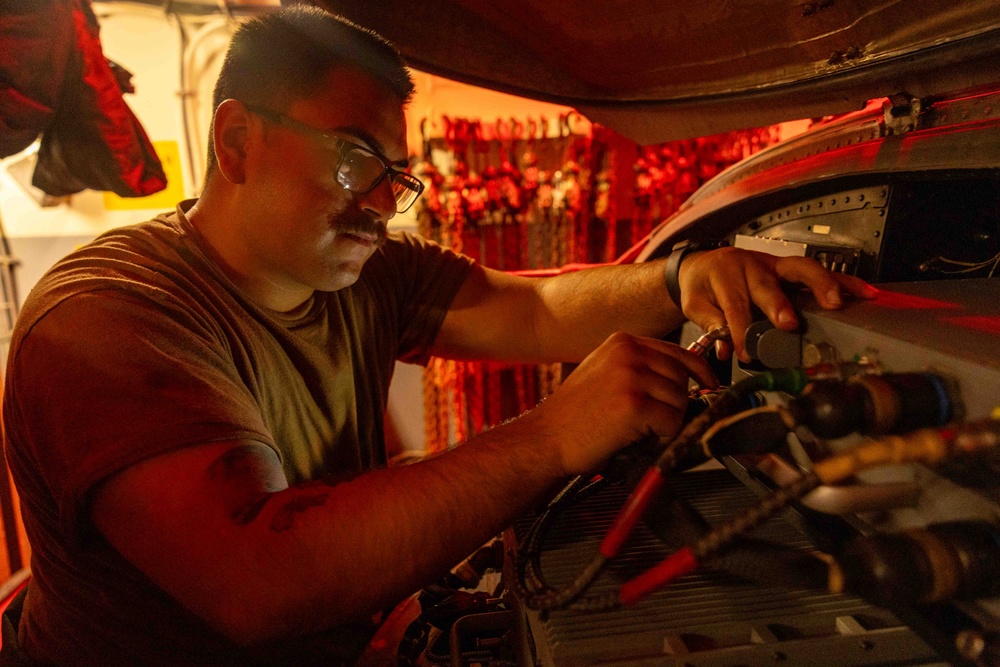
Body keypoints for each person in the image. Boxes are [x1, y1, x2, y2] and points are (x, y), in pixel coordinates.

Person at [0, 6, 875, 666]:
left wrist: (683, 278)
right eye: (352, 160)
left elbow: (533, 310)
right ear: (236, 139)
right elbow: (259, 581)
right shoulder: (111, 318)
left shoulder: (364, 273)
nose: (382, 203)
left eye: (394, 176)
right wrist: (551, 435)